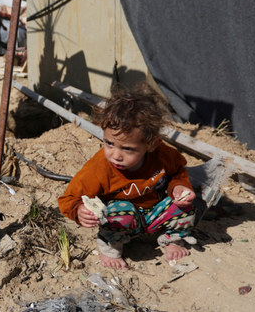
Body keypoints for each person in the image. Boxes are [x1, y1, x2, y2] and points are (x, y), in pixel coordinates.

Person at [58, 84, 196, 270]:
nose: (116, 155)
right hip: (123, 221)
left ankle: (172, 239)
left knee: (185, 203)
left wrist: (179, 188)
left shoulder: (162, 155)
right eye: (109, 143)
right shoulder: (98, 169)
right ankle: (110, 248)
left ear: (152, 144)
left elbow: (178, 172)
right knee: (118, 210)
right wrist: (79, 210)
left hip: (156, 213)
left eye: (128, 149)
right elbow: (68, 199)